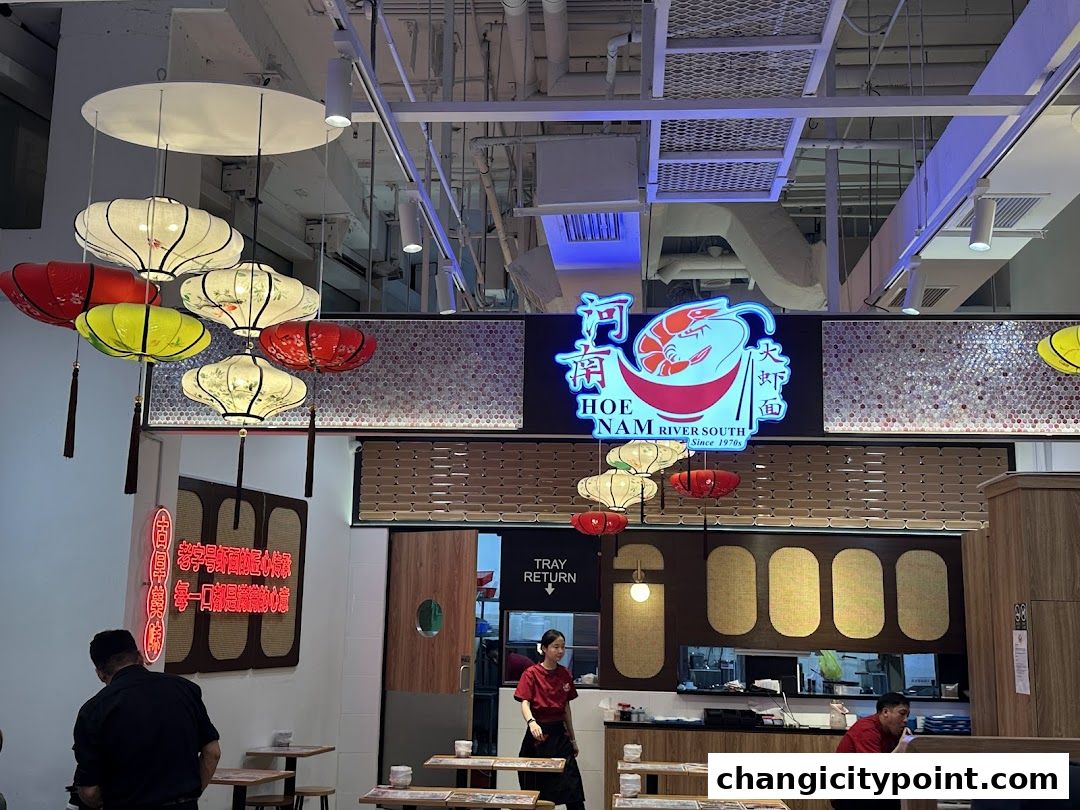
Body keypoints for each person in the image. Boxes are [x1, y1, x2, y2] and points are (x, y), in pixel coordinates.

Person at [72, 629, 221, 810]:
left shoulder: (94, 711)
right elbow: (212, 753)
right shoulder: (185, 689)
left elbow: (89, 791)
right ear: (140, 657)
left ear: (100, 673)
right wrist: (190, 796)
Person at [514, 629, 586, 810]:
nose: (560, 651)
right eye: (556, 647)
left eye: (562, 647)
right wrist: (531, 722)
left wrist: (573, 738)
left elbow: (566, 709)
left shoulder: (565, 674)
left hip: (560, 735)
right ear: (544, 648)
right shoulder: (531, 673)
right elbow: (525, 702)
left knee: (573, 789)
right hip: (538, 735)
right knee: (537, 791)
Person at [832, 693, 913, 810]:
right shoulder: (866, 730)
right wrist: (901, 748)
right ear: (885, 712)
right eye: (902, 714)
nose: (905, 720)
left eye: (907, 715)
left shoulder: (893, 731)